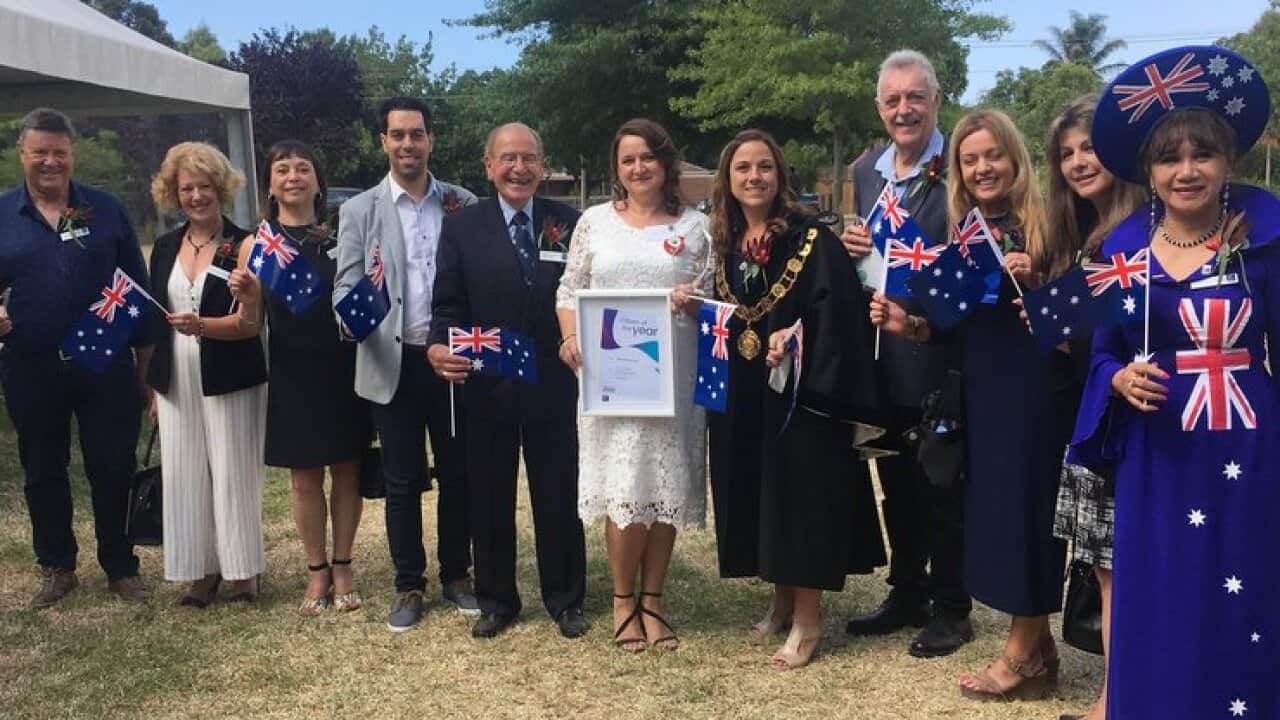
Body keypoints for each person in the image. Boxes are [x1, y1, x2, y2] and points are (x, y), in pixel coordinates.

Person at [1068, 46, 1279, 718]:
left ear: (1228, 161)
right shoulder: (1119, 251)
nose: (1186, 171)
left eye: (1203, 155)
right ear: (1148, 170)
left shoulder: (1268, 237)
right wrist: (1119, 380)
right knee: (1160, 592)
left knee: (1246, 591)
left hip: (1248, 449)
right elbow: (1100, 356)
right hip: (1157, 456)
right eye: (1169, 158)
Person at [870, 109, 1070, 700]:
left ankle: (1020, 653)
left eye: (993, 155)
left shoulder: (1048, 226)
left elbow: (1081, 316)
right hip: (983, 389)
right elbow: (956, 327)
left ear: (1015, 158)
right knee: (997, 517)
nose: (983, 168)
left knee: (1024, 518)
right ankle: (1038, 649)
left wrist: (1039, 283)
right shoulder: (966, 231)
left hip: (1036, 390)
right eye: (970, 158)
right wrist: (913, 326)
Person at [708, 129, 884, 670]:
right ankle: (781, 599)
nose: (753, 177)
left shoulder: (812, 237)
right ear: (728, 180)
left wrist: (798, 334)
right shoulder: (726, 243)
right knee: (759, 490)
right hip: (744, 388)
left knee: (798, 495)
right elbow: (729, 313)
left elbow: (840, 309)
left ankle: (809, 619)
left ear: (780, 175)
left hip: (801, 391)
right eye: (742, 168)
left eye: (764, 166)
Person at [426, 122, 588, 640]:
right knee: (489, 494)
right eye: (508, 158)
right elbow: (447, 303)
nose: (519, 168)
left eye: (530, 158)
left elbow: (585, 295)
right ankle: (497, 599)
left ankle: (565, 598)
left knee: (558, 493)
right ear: (489, 166)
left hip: (554, 380)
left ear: (542, 165)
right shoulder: (462, 227)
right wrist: (436, 344)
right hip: (487, 380)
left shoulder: (570, 222)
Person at [555, 119, 710, 652]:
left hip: (674, 378)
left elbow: (714, 295)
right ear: (616, 169)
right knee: (624, 486)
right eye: (627, 160)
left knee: (662, 488)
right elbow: (570, 290)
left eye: (648, 157)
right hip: (611, 381)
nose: (638, 167)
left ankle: (654, 600)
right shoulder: (594, 223)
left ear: (666, 162)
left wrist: (695, 298)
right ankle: (624, 601)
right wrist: (569, 339)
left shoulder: (696, 227)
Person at [841, 49, 972, 657]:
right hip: (884, 349)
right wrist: (854, 246)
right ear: (878, 107)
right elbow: (874, 254)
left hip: (940, 342)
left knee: (942, 480)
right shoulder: (867, 170)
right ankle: (907, 589)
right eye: (892, 100)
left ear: (936, 100)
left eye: (915, 97)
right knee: (896, 476)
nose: (904, 109)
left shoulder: (961, 166)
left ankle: (952, 605)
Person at [334, 98, 478, 632]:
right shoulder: (359, 211)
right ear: (383, 142)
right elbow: (345, 284)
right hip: (389, 361)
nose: (407, 145)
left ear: (430, 141)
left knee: (458, 474)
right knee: (401, 480)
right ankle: (408, 583)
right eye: (397, 135)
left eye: (416, 135)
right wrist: (349, 317)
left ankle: (457, 576)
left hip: (450, 359)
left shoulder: (462, 203)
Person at [0, 107, 153, 607]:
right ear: (22, 153)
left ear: (72, 155)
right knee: (43, 467)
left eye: (58, 153)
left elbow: (137, 287)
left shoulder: (103, 210)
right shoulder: (3, 215)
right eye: (39, 152)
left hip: (103, 361)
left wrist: (147, 371)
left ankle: (120, 565)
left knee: (112, 465)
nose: (49, 162)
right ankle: (57, 566)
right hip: (30, 364)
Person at [1041, 96, 1144, 720]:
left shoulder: (1145, 233)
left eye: (1090, 147)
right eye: (1067, 154)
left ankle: (1119, 698)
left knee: (1129, 571)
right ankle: (1115, 693)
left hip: (1139, 422)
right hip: (1095, 417)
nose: (1079, 162)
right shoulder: (1085, 236)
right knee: (1108, 573)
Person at [241, 140, 373, 614]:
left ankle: (344, 564)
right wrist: (249, 295)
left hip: (343, 365)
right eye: (283, 169)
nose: (294, 176)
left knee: (347, 470)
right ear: (270, 183)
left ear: (318, 182)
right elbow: (250, 323)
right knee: (304, 478)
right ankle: (316, 569)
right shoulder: (256, 245)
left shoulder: (338, 236)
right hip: (293, 369)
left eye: (303, 169)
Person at [146, 142, 268, 606]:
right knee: (184, 471)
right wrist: (154, 387)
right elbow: (158, 319)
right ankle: (200, 570)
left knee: (233, 469)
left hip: (230, 368)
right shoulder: (162, 248)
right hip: (175, 372)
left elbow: (251, 323)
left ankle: (242, 573)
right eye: (187, 188)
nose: (197, 196)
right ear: (174, 195)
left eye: (204, 186)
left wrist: (207, 323)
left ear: (221, 189)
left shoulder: (245, 244)